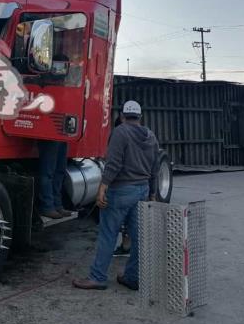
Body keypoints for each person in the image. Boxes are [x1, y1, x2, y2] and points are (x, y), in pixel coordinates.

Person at [73, 100, 160, 290]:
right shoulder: (151, 136)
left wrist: (103, 187)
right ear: (140, 117)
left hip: (121, 191)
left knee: (108, 235)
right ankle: (132, 277)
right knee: (138, 237)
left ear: (121, 116)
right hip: (142, 190)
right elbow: (155, 168)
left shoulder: (120, 132)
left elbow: (114, 164)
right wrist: (152, 193)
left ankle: (97, 277)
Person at [37, 139, 73, 219]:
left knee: (59, 171)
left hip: (62, 134)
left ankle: (57, 205)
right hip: (49, 134)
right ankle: (47, 207)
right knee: (48, 172)